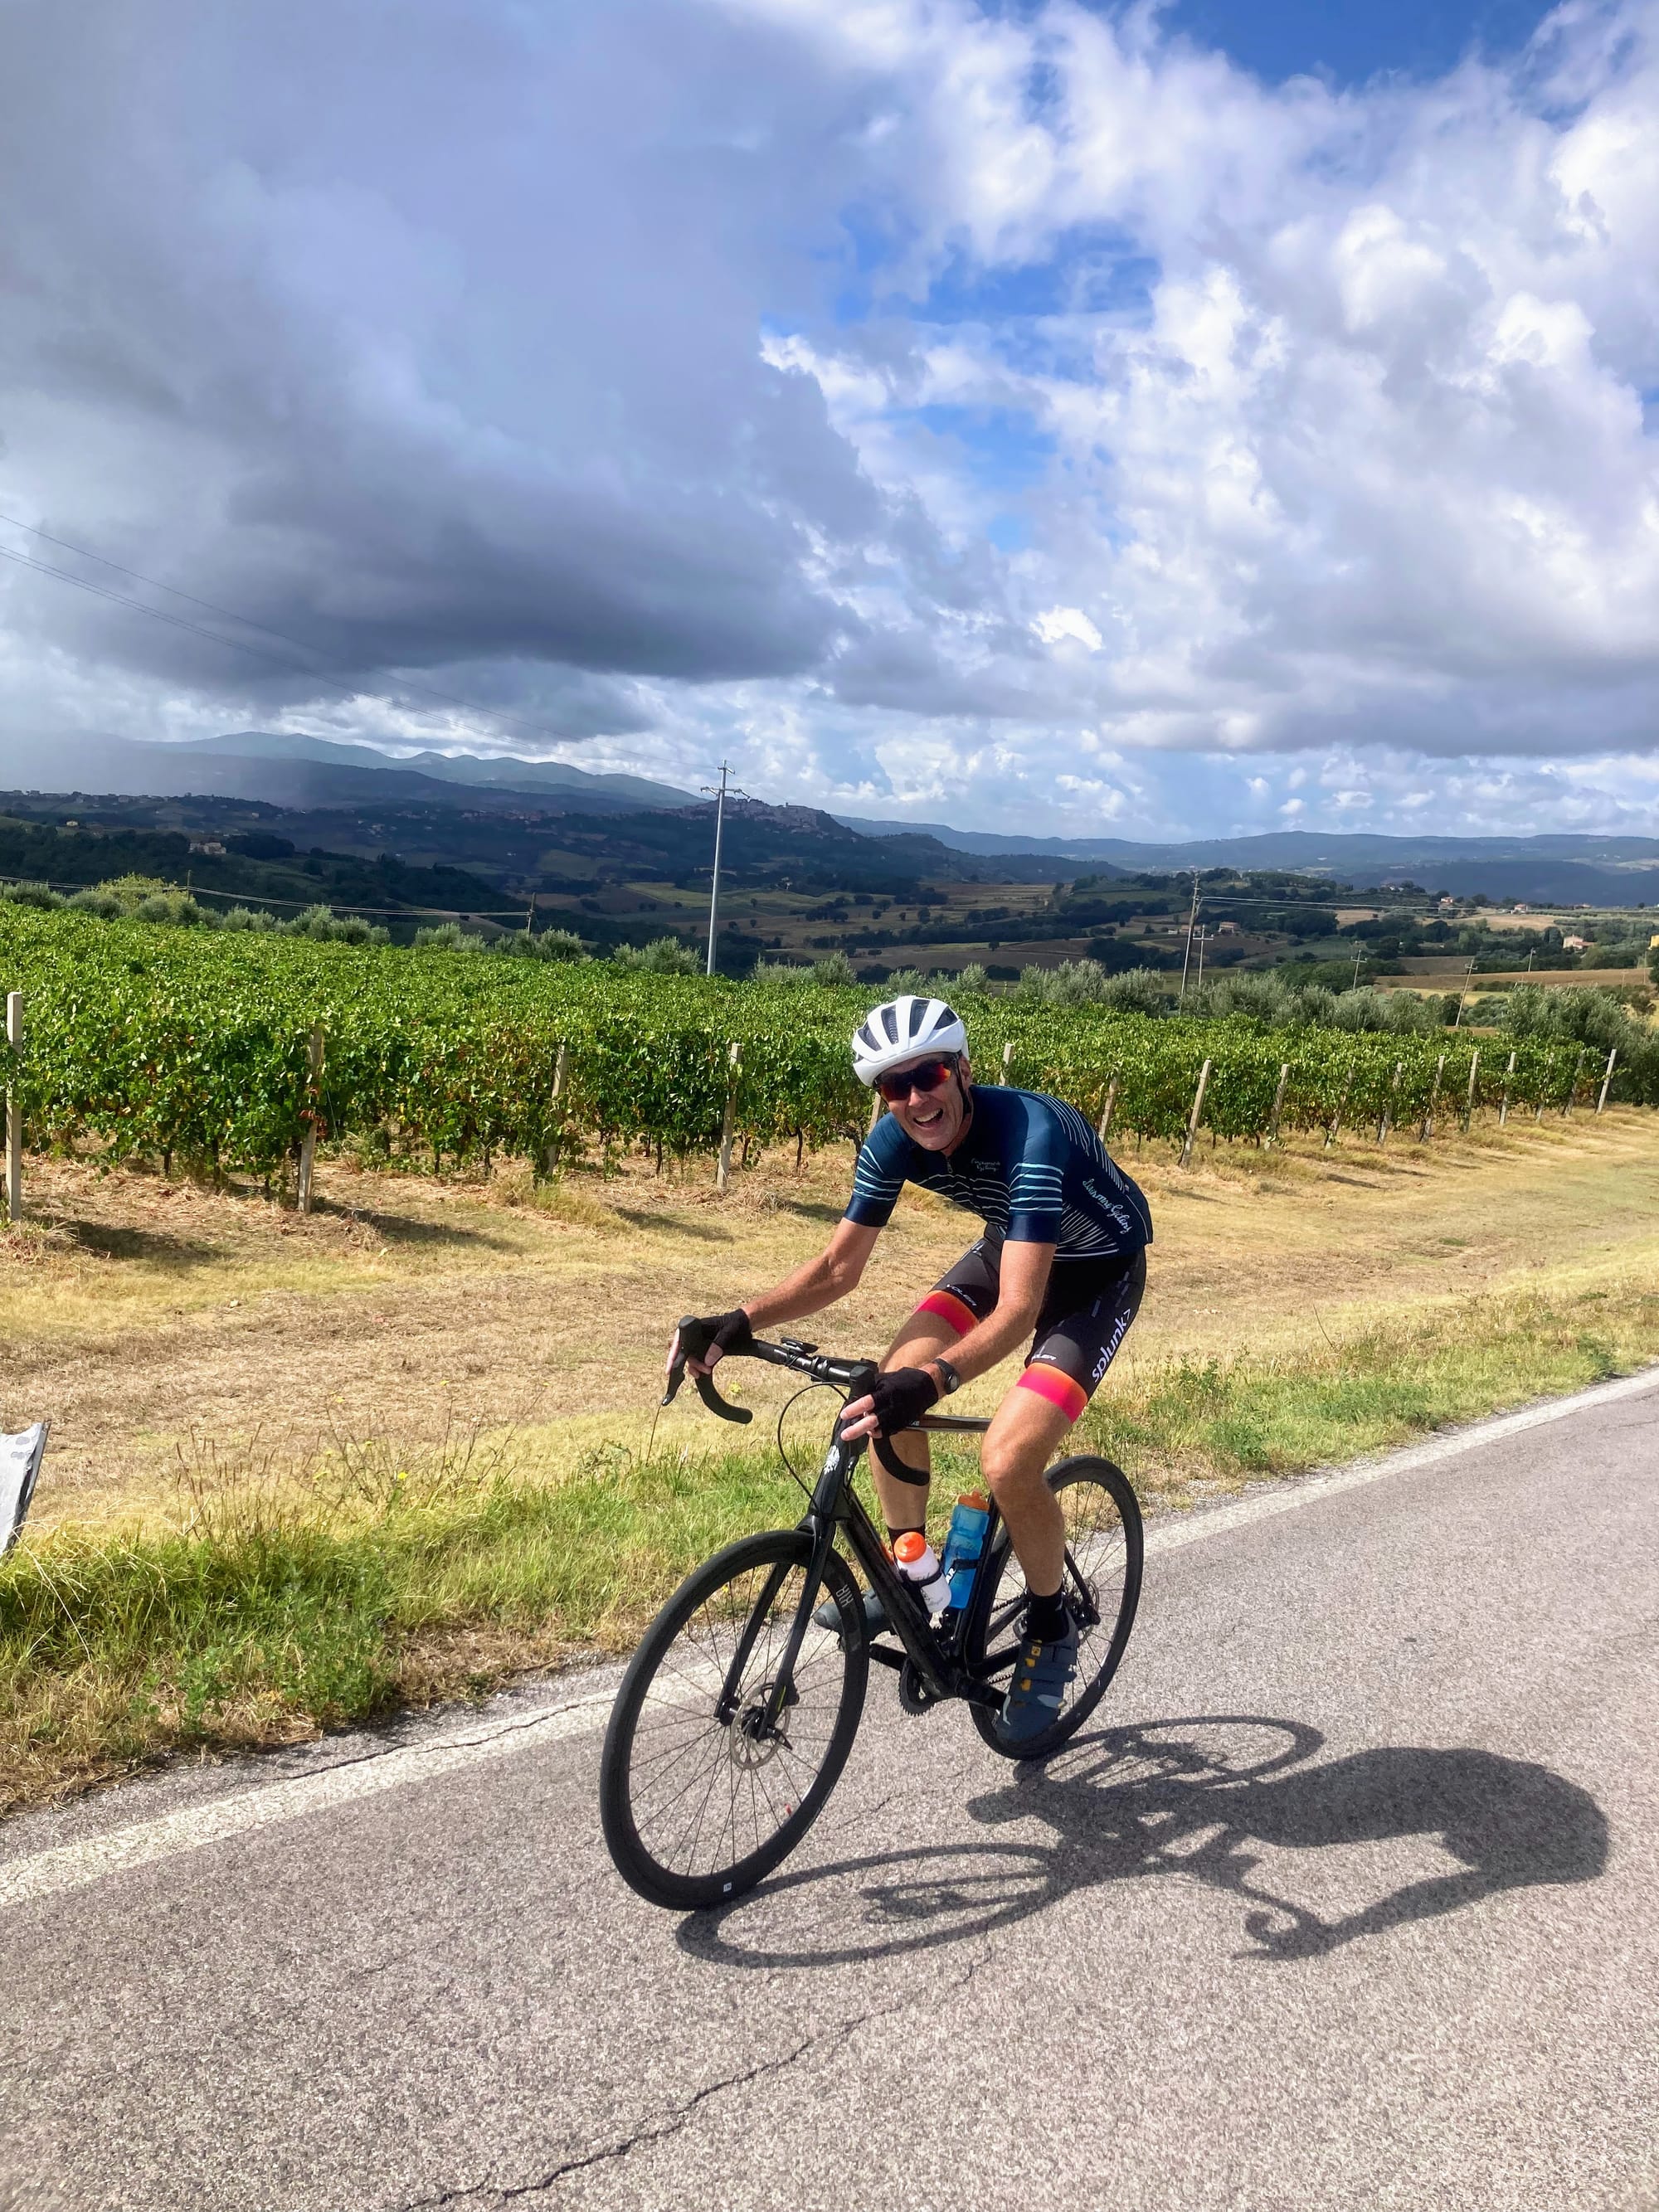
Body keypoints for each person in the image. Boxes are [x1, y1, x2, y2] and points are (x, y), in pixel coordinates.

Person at [669, 993, 1152, 1749]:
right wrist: (738, 1321)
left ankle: (1052, 1625)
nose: (915, 1100)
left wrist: (935, 1382)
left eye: (927, 1076)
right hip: (1011, 1247)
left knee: (1008, 1455)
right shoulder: (893, 1139)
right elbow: (837, 1267)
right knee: (879, 1387)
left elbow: (1023, 1309)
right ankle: (915, 1574)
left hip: (1095, 1278)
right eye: (893, 1087)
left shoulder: (1031, 1130)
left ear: (963, 1069)